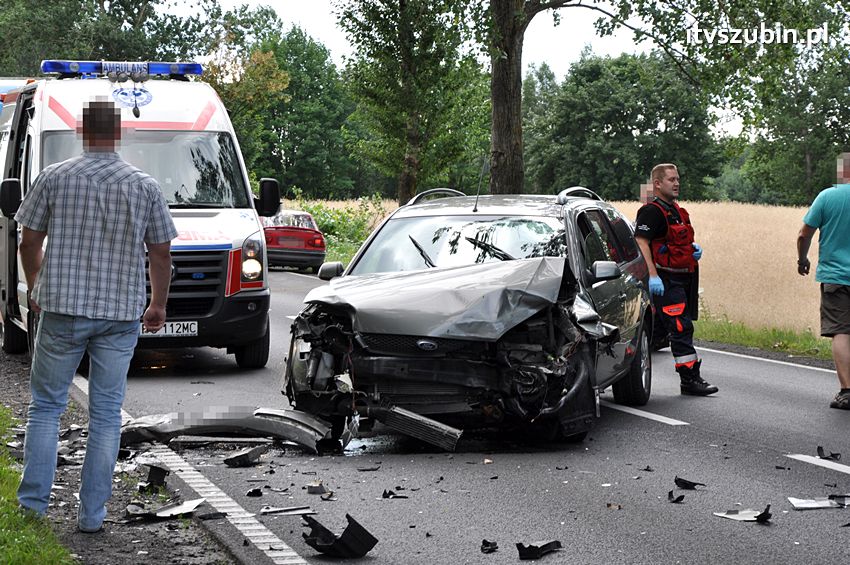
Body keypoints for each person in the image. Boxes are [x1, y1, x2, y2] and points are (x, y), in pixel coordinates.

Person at [15, 98, 177, 531]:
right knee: (106, 415)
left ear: (82, 132)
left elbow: (28, 242)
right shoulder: (144, 186)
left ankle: (32, 508)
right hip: (119, 315)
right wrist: (157, 304)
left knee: (46, 408)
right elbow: (160, 254)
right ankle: (92, 516)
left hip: (63, 309)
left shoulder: (53, 178)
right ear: (118, 133)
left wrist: (36, 286)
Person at [634, 163, 718, 396]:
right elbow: (641, 242)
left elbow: (675, 242)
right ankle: (689, 379)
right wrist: (652, 276)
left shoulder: (676, 210)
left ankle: (631, 370)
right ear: (657, 184)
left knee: (657, 333)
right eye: (671, 179)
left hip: (683, 280)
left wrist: (693, 248)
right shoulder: (651, 211)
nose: (677, 183)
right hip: (666, 281)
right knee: (681, 328)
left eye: (678, 179)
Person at [797, 152, 850, 410]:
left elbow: (804, 233)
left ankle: (847, 391)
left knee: (841, 331)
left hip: (836, 277)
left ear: (842, 172)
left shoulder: (827, 197)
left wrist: (802, 260)